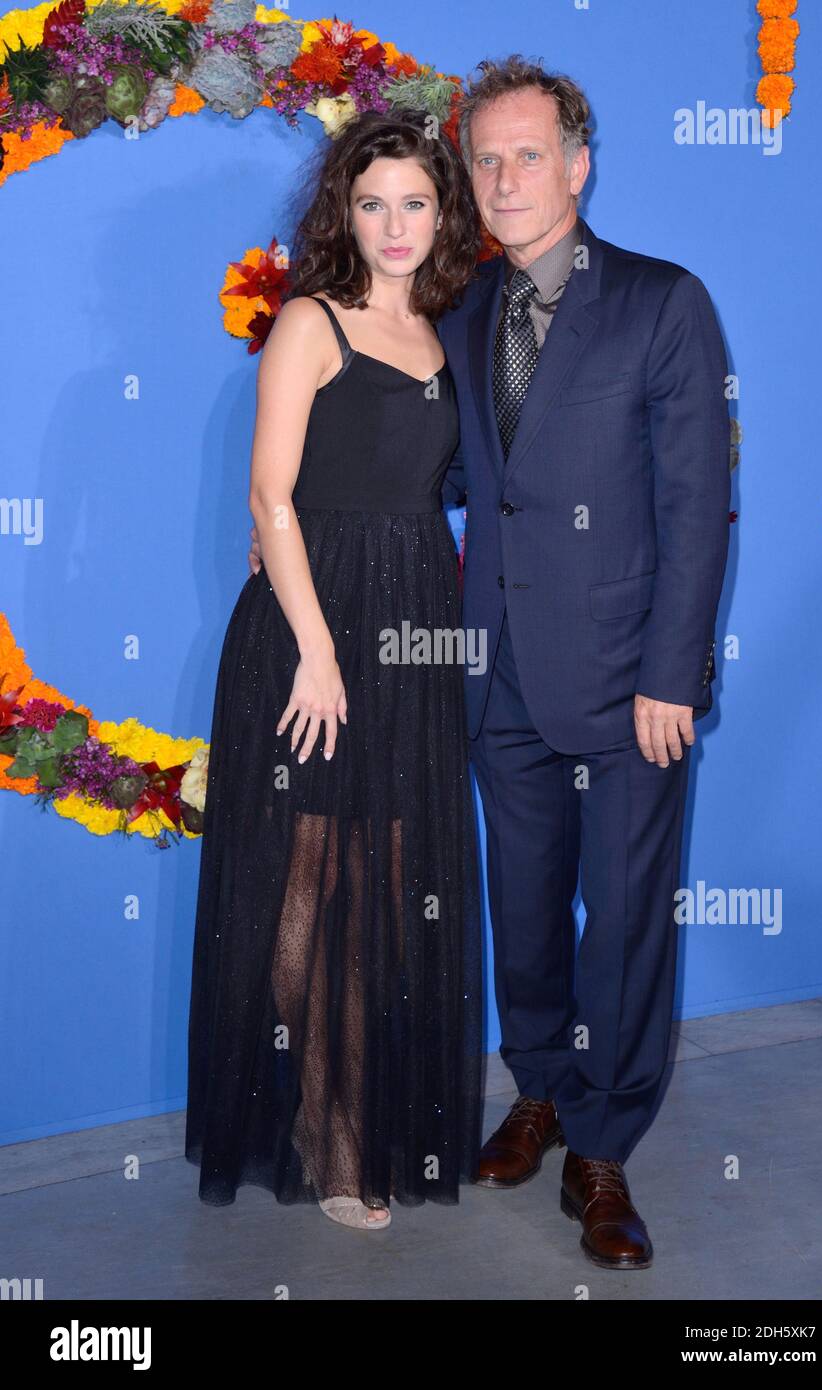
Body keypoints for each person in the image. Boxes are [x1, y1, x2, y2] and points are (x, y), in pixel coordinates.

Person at [436, 56, 731, 1270]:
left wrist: (673, 674)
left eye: (526, 154)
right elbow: (461, 484)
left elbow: (699, 503)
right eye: (485, 159)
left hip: (626, 685)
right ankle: (541, 1090)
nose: (504, 178)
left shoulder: (665, 303)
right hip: (498, 671)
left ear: (577, 163)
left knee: (620, 924)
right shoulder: (459, 314)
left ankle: (601, 1149)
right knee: (523, 914)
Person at [185, 109, 484, 1230]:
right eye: (372, 204)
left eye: (415, 202)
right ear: (341, 213)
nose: (394, 224)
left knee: (391, 879)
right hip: (311, 630)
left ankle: (364, 1115)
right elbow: (271, 497)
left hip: (413, 619)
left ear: (442, 210)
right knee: (305, 878)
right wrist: (314, 651)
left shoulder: (453, 326)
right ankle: (327, 1133)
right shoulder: (309, 321)